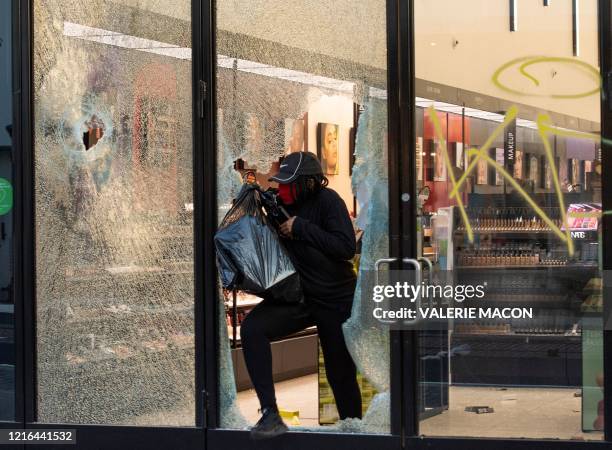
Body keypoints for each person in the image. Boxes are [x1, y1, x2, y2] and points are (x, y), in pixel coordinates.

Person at [240, 151, 361, 440]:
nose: (282, 190)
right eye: (279, 184)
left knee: (339, 372)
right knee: (252, 329)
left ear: (307, 183)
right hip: (301, 297)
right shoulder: (279, 203)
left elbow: (345, 247)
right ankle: (270, 413)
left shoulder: (329, 202)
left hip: (335, 298)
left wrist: (300, 227)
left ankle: (356, 432)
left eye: (287, 184)